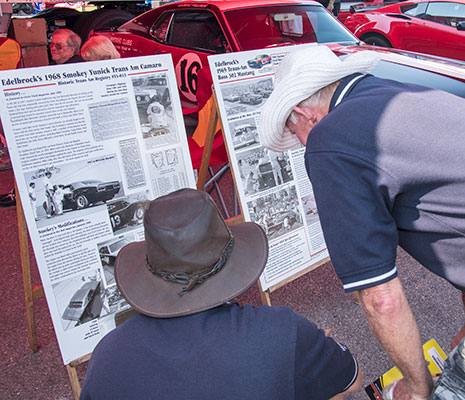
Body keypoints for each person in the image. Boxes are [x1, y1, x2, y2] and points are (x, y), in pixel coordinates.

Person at [259, 45, 465, 400]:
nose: (301, 144)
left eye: (296, 134)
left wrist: (417, 387)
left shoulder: (329, 140)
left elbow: (381, 299)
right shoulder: (399, 90)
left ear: (304, 113)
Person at [80, 188, 362, 400]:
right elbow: (352, 379)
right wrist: (306, 348)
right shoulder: (280, 332)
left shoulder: (108, 355)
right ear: (232, 256)